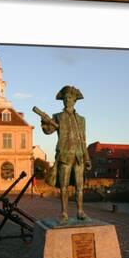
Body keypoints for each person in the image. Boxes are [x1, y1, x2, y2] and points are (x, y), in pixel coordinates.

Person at [40, 85, 92, 224]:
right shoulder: (57, 117)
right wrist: (44, 122)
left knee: (79, 187)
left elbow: (83, 139)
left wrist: (87, 158)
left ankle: (80, 211)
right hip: (64, 156)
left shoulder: (81, 120)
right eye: (65, 98)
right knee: (63, 186)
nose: (67, 100)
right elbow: (48, 131)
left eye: (70, 97)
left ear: (75, 100)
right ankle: (64, 213)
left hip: (79, 156)